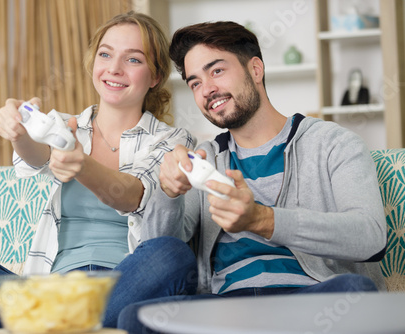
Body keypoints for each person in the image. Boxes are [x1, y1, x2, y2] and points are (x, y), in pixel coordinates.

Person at [0, 11, 197, 330]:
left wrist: (83, 165)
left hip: (125, 287)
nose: (114, 69)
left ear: (155, 76)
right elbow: (38, 156)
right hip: (49, 289)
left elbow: (135, 194)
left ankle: (37, 323)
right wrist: (20, 133)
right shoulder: (64, 125)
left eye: (133, 60)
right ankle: (62, 319)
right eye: (105, 54)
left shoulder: (173, 140)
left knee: (172, 256)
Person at [117, 21, 387, 333]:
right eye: (194, 83)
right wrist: (168, 192)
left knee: (354, 293)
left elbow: (370, 236)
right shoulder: (203, 157)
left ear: (255, 69)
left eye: (217, 71)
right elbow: (157, 260)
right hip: (226, 307)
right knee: (136, 317)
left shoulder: (333, 142)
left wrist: (262, 219)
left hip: (311, 300)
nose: (207, 89)